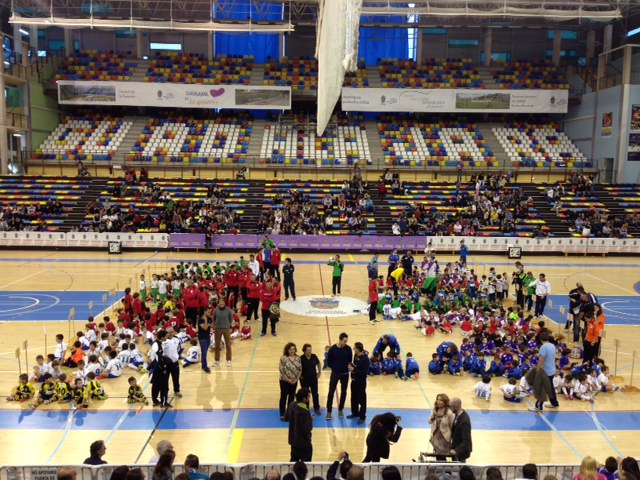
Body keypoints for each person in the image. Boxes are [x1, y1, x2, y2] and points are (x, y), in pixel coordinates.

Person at [326, 332, 353, 420]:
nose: (345, 343)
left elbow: (349, 360)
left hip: (345, 374)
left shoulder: (348, 349)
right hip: (335, 373)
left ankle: (340, 409)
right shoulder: (333, 349)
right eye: (344, 341)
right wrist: (335, 368)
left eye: (346, 341)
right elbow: (329, 362)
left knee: (344, 392)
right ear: (340, 340)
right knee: (331, 392)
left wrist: (347, 367)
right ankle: (329, 411)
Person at [284, 387, 314, 461]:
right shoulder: (305, 413)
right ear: (304, 399)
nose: (309, 399)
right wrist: (311, 419)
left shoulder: (291, 405)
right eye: (308, 397)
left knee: (293, 462)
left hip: (294, 441)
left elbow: (286, 418)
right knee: (306, 463)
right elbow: (308, 428)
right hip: (304, 443)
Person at [347, 342, 370, 425]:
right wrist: (351, 366)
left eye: (354, 348)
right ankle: (355, 413)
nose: (353, 349)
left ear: (358, 349)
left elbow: (364, 373)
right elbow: (355, 366)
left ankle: (362, 416)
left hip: (361, 382)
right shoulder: (355, 355)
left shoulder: (365, 359)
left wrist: (353, 370)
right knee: (354, 398)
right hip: (353, 380)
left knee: (362, 400)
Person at [428, 393, 455, 460]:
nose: (438, 402)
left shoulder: (449, 412)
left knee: (446, 457)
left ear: (445, 402)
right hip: (436, 437)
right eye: (438, 400)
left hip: (445, 439)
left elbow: (453, 426)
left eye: (441, 400)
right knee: (437, 455)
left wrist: (452, 439)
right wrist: (433, 416)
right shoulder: (435, 410)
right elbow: (429, 421)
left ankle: (447, 469)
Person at [279, 342, 302, 421]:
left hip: (294, 381)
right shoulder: (283, 358)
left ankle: (289, 412)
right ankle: (282, 413)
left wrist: (296, 379)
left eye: (294, 349)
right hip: (284, 381)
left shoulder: (298, 358)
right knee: (284, 396)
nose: (292, 350)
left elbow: (300, 370)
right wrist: (288, 379)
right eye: (291, 349)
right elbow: (281, 370)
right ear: (287, 350)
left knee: (291, 397)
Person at [149, 330, 171, 408]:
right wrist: (164, 368)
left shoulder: (155, 344)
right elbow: (159, 359)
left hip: (155, 368)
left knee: (156, 385)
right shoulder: (158, 346)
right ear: (162, 337)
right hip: (159, 369)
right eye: (166, 336)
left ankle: (155, 401)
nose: (167, 337)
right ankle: (164, 403)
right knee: (164, 386)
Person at [538, 332, 559, 408]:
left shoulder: (543, 347)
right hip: (552, 369)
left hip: (545, 370)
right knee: (550, 387)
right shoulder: (552, 345)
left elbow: (541, 360)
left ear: (541, 339)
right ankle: (554, 403)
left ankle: (539, 406)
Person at [300, 344, 321, 415]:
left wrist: (319, 373)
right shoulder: (301, 358)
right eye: (308, 350)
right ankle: (306, 409)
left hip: (313, 379)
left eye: (310, 350)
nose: (310, 351)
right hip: (304, 380)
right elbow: (297, 367)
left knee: (315, 394)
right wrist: (299, 375)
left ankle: (317, 408)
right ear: (304, 351)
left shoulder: (314, 356)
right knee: (306, 395)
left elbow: (319, 363)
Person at [450, 397, 472, 462]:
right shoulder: (458, 415)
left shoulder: (464, 421)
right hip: (456, 447)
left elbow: (466, 441)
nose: (450, 409)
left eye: (450, 406)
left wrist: (456, 450)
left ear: (456, 407)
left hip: (461, 453)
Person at [213, 299, 233, 367]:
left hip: (226, 329)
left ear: (224, 304)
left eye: (223, 304)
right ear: (218, 304)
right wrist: (216, 325)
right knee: (217, 345)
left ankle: (229, 360)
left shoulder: (228, 310)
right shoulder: (215, 310)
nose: (221, 305)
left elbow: (231, 319)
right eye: (220, 304)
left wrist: (227, 325)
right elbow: (214, 319)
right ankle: (216, 360)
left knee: (228, 345)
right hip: (217, 329)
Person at [164, 328, 182, 398]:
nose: (171, 333)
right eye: (169, 332)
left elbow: (179, 348)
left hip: (175, 362)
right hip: (166, 363)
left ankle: (177, 390)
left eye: (172, 332)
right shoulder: (163, 341)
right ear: (167, 333)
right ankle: (165, 392)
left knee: (176, 377)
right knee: (165, 379)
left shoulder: (177, 339)